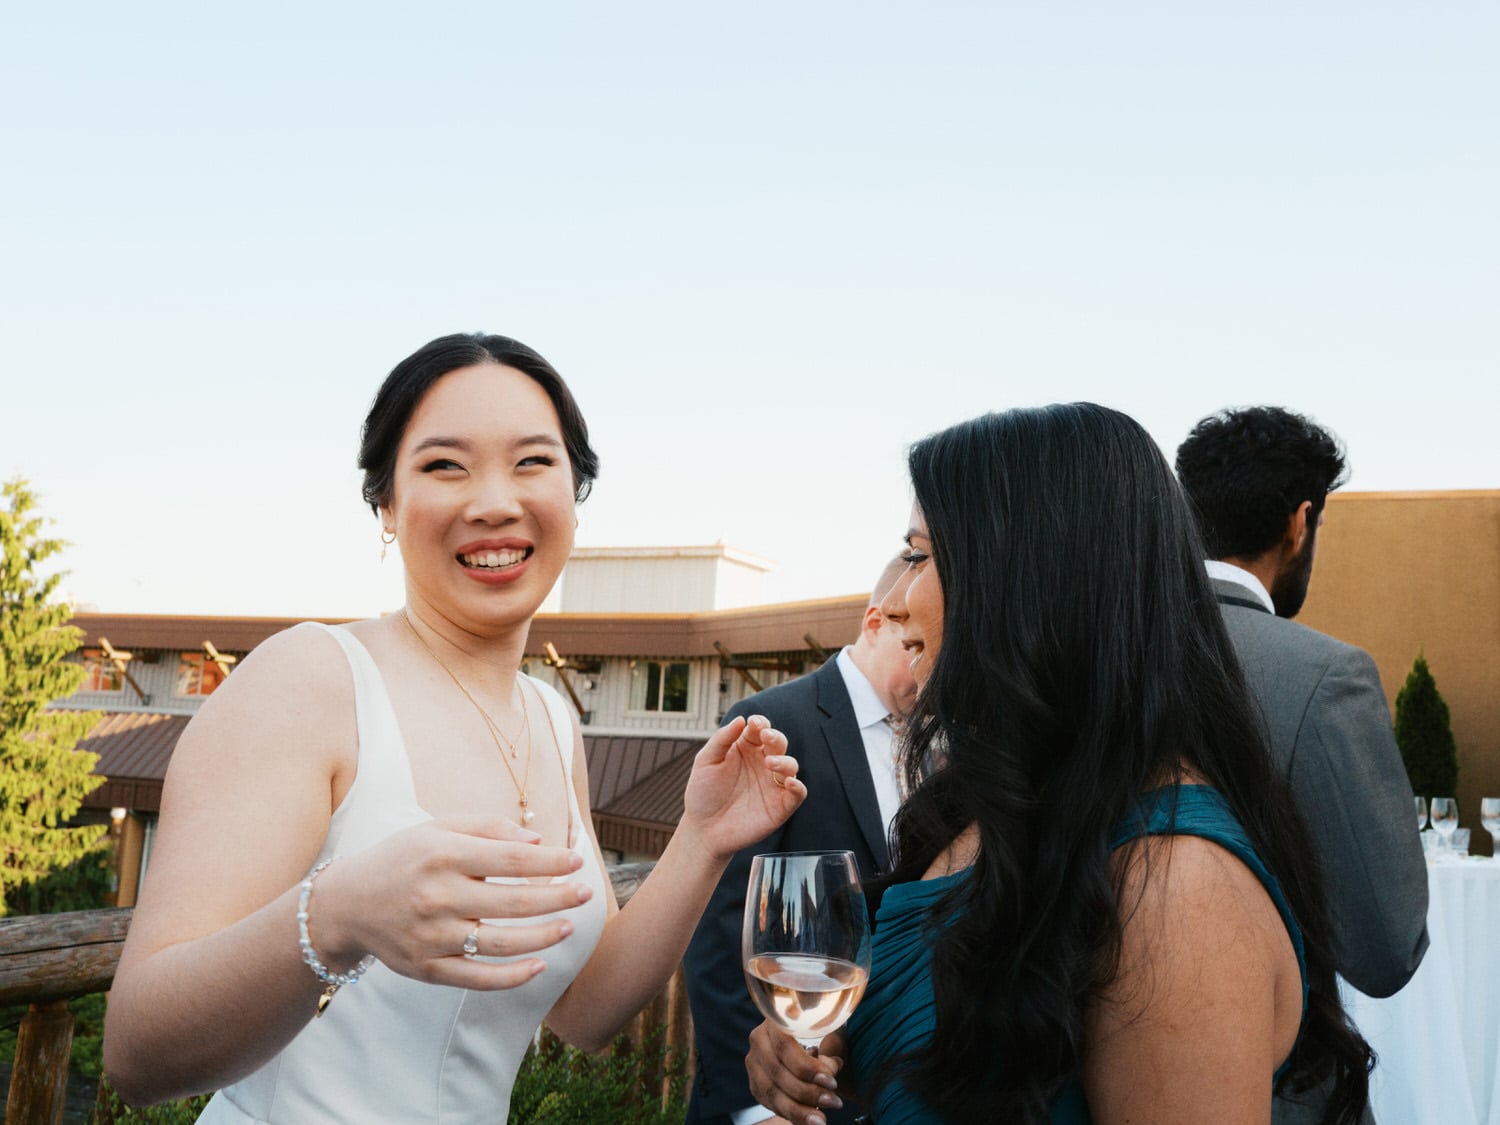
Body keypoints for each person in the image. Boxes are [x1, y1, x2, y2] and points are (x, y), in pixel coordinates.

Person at [102, 332, 806, 1122]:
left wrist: (701, 839)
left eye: (533, 461)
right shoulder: (310, 679)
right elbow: (136, 1053)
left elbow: (584, 1010)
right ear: (386, 504)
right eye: (445, 465)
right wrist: (336, 916)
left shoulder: (552, 718)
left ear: (575, 494)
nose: (495, 501)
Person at [745, 403, 1372, 1124]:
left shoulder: (1178, 891)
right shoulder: (1000, 802)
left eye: (919, 557)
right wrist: (815, 1050)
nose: (889, 604)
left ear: (1029, 577)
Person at [1175, 407, 1428, 1123]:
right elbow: (1386, 949)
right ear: (1300, 522)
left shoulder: (1087, 663)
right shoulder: (1324, 678)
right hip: (1276, 1088)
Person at [684, 557, 918, 1125]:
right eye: (914, 646)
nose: (930, 663)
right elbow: (715, 929)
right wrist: (755, 1107)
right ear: (875, 623)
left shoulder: (939, 742)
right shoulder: (770, 718)